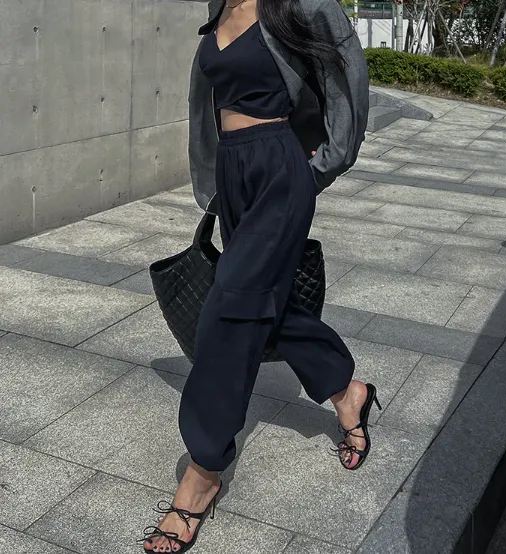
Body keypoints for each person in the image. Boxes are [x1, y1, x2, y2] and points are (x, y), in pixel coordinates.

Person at [141, 0, 379, 551]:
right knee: (264, 301)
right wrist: (212, 178)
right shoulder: (219, 6)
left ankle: (203, 472)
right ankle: (347, 391)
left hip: (278, 169)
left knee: (229, 310)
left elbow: (347, 74)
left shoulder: (299, 4)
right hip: (234, 170)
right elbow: (209, 100)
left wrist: (325, 161)